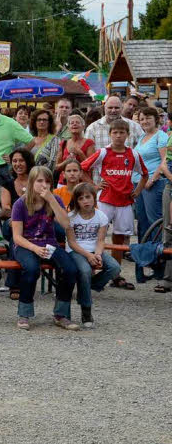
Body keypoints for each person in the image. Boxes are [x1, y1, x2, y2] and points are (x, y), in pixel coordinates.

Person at [10, 166, 79, 331]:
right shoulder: (20, 204)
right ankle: (24, 314)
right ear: (32, 182)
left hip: (49, 243)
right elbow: (17, 237)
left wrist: (52, 200)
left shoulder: (54, 199)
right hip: (26, 245)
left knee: (70, 269)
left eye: (48, 181)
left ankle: (61, 315)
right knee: (32, 269)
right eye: (40, 181)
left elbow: (66, 224)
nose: (44, 185)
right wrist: (34, 248)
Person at [81, 119, 147, 277]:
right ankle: (92, 271)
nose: (118, 136)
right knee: (96, 235)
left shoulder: (133, 154)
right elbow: (83, 168)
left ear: (127, 135)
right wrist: (94, 186)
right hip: (105, 199)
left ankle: (115, 275)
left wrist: (137, 191)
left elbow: (145, 174)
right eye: (115, 132)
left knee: (119, 238)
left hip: (124, 202)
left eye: (122, 132)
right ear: (110, 134)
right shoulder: (104, 152)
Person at [64, 182, 122, 328]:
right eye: (81, 198)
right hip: (76, 250)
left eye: (88, 197)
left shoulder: (101, 216)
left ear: (94, 198)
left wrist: (98, 255)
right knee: (84, 270)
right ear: (76, 201)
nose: (86, 201)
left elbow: (101, 240)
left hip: (94, 249)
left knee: (114, 267)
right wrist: (88, 256)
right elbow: (71, 243)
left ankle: (88, 286)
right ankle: (86, 310)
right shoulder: (71, 217)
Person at [133, 107, 170, 240]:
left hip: (153, 183)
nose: (144, 121)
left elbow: (165, 160)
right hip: (139, 183)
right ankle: (143, 254)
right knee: (141, 220)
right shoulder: (142, 136)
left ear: (156, 119)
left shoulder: (161, 136)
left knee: (153, 219)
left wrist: (152, 179)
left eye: (148, 118)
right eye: (142, 119)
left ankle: (157, 253)